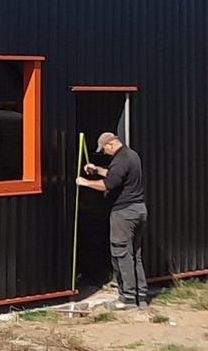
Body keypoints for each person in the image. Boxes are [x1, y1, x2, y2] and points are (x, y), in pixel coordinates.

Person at [76, 130, 148, 308]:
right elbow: (115, 175)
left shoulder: (120, 159)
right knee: (134, 255)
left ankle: (127, 299)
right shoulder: (131, 155)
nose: (104, 153)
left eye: (104, 149)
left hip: (124, 213)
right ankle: (141, 295)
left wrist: (85, 182)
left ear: (110, 144)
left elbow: (108, 184)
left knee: (121, 254)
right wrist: (97, 169)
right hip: (139, 210)